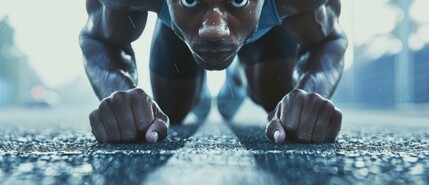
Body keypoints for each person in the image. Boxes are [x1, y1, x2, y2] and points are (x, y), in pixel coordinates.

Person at [80, 0, 347, 144]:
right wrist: (119, 92)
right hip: (180, 32)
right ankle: (205, 95)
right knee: (173, 110)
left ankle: (238, 79)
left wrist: (311, 94)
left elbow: (330, 40)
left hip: (266, 32)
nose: (215, 30)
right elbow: (98, 39)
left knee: (283, 105)